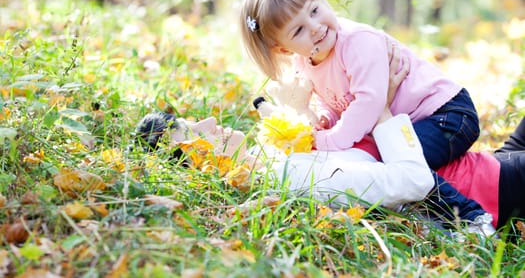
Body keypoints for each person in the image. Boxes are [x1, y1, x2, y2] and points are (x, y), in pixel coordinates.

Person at [135, 53, 495, 235]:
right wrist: (381, 110)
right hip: (490, 188)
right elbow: (412, 181)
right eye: (192, 131)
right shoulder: (294, 179)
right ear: (197, 164)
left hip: (485, 162)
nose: (209, 122)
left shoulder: (275, 159)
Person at [239, 0, 479, 170]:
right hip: (403, 122)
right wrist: (327, 120)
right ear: (284, 49)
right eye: (298, 30)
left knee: (401, 164)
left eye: (314, 11)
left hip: (446, 114)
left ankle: (469, 216)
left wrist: (329, 140)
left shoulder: (356, 42)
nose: (315, 27)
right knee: (373, 160)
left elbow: (368, 102)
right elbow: (334, 102)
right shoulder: (304, 63)